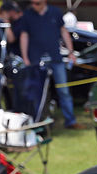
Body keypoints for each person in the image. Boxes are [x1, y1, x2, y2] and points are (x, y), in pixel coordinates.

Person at [14, 0, 81, 129]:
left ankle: (70, 121)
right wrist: (25, 58)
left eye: (37, 3)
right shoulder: (27, 15)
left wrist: (71, 52)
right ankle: (38, 122)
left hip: (56, 58)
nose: (34, 5)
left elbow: (63, 31)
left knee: (64, 91)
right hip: (35, 60)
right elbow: (24, 36)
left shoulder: (55, 12)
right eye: (32, 3)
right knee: (37, 93)